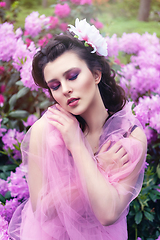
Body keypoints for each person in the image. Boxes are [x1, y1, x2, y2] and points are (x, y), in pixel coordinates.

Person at [8, 19, 147, 240]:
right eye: (55, 86)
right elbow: (42, 211)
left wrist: (78, 146)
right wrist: (98, 165)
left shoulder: (129, 137)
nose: (66, 90)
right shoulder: (45, 130)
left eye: (72, 76)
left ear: (95, 74)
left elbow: (108, 213)